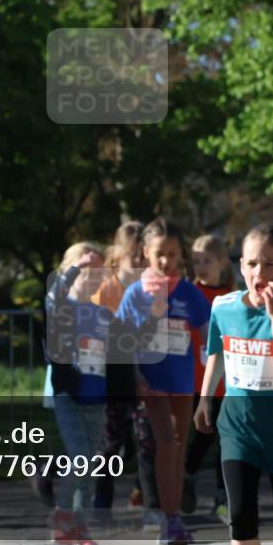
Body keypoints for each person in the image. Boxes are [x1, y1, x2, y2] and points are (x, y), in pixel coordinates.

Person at [195, 224, 273, 545]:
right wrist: (206, 398)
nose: (258, 272)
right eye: (250, 264)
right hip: (239, 427)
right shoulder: (224, 306)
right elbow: (217, 352)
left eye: (269, 264)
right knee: (240, 518)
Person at [116, 218, 210, 545]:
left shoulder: (189, 293)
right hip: (151, 382)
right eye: (160, 254)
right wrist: (136, 375)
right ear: (145, 253)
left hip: (182, 382)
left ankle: (173, 516)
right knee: (166, 443)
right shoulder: (134, 294)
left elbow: (207, 327)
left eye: (172, 254)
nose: (166, 261)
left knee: (179, 447)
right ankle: (168, 519)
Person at [90, 221, 161, 526]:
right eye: (135, 257)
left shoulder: (150, 290)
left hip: (142, 376)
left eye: (144, 257)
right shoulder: (107, 289)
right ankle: (101, 504)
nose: (142, 263)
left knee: (147, 441)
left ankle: (151, 505)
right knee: (110, 444)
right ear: (118, 256)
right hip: (112, 378)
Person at [43, 242, 109, 545]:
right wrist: (75, 267)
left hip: (96, 397)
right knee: (80, 456)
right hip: (68, 394)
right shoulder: (62, 304)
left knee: (89, 464)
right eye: (86, 270)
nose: (92, 275)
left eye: (98, 271)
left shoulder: (102, 313)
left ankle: (80, 526)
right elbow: (54, 295)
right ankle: (63, 517)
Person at [182, 235, 234, 519]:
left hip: (227, 382)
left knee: (227, 438)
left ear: (221, 262)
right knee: (203, 434)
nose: (201, 267)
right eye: (196, 261)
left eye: (207, 261)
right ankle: (187, 474)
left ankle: (222, 497)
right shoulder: (189, 294)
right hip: (195, 380)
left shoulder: (231, 295)